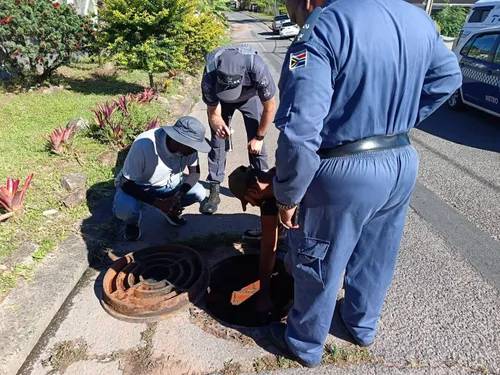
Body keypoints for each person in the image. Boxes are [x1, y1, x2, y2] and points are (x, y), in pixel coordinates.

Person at [269, 0, 462, 368]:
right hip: (401, 160)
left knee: (318, 258)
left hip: (344, 169)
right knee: (378, 252)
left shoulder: (322, 29)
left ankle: (304, 345)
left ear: (309, 1)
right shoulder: (416, 17)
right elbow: (449, 78)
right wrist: (400, 122)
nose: (290, 10)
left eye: (290, 3)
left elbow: (299, 131)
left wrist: (288, 194)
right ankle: (361, 326)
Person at [200, 45, 277, 215]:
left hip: (250, 97)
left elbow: (270, 107)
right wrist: (218, 124)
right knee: (217, 141)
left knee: (257, 143)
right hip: (221, 102)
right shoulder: (210, 73)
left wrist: (259, 137)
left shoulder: (256, 67)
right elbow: (213, 112)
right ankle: (214, 189)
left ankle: (262, 185)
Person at [113, 116, 211, 241]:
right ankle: (132, 223)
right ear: (178, 140)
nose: (194, 150)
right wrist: (158, 203)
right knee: (125, 209)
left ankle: (169, 210)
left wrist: (178, 196)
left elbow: (194, 173)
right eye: (192, 146)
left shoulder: (189, 149)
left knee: (199, 192)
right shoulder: (144, 145)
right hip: (137, 185)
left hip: (168, 184)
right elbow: (125, 183)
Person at [228, 166, 287, 318]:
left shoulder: (289, 180)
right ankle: (282, 231)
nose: (253, 206)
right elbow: (268, 246)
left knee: (296, 265)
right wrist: (264, 295)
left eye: (248, 202)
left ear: (253, 192)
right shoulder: (267, 197)